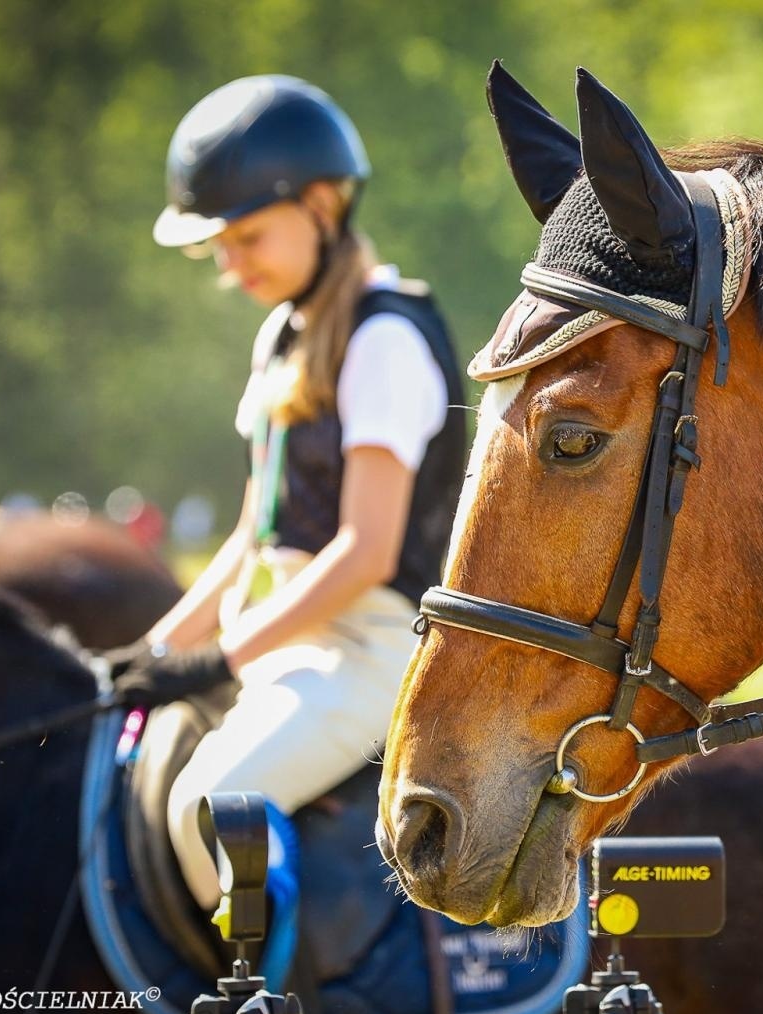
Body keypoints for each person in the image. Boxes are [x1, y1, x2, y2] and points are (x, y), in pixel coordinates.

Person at [113, 75, 466, 911]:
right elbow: (252, 532)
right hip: (296, 638)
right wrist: (152, 655)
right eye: (218, 248)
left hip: (379, 649)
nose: (230, 267)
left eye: (248, 238)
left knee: (207, 811)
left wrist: (220, 660)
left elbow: (366, 552)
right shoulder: (284, 335)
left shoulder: (382, 339)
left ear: (321, 205)